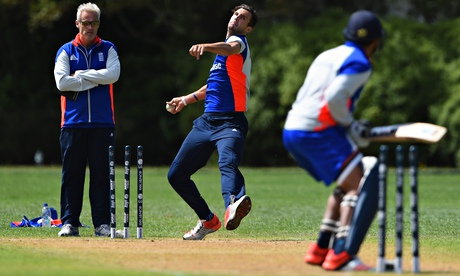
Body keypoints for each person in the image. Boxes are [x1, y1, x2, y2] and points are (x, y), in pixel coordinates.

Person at [282, 10, 385, 271]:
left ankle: (320, 248)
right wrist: (351, 126)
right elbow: (335, 98)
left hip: (292, 127)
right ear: (375, 42)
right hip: (315, 130)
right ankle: (342, 254)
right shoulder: (360, 62)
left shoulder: (327, 55)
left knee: (346, 183)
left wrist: (347, 128)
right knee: (359, 183)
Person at [166, 4, 258, 240]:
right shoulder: (222, 55)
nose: (237, 18)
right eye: (236, 13)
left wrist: (204, 46)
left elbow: (229, 47)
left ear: (248, 29)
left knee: (227, 162)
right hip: (207, 122)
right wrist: (186, 100)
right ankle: (208, 220)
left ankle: (234, 203)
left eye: (243, 18)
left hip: (231, 122)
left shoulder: (239, 44)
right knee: (176, 175)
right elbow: (214, 86)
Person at [53, 2, 121, 237]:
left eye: (93, 23)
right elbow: (62, 82)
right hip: (72, 122)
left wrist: (80, 76)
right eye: (85, 22)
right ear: (77, 24)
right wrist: (97, 78)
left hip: (103, 123)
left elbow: (113, 75)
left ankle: (102, 224)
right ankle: (69, 222)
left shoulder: (109, 49)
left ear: (98, 24)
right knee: (72, 174)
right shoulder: (65, 51)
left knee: (101, 175)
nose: (89, 27)